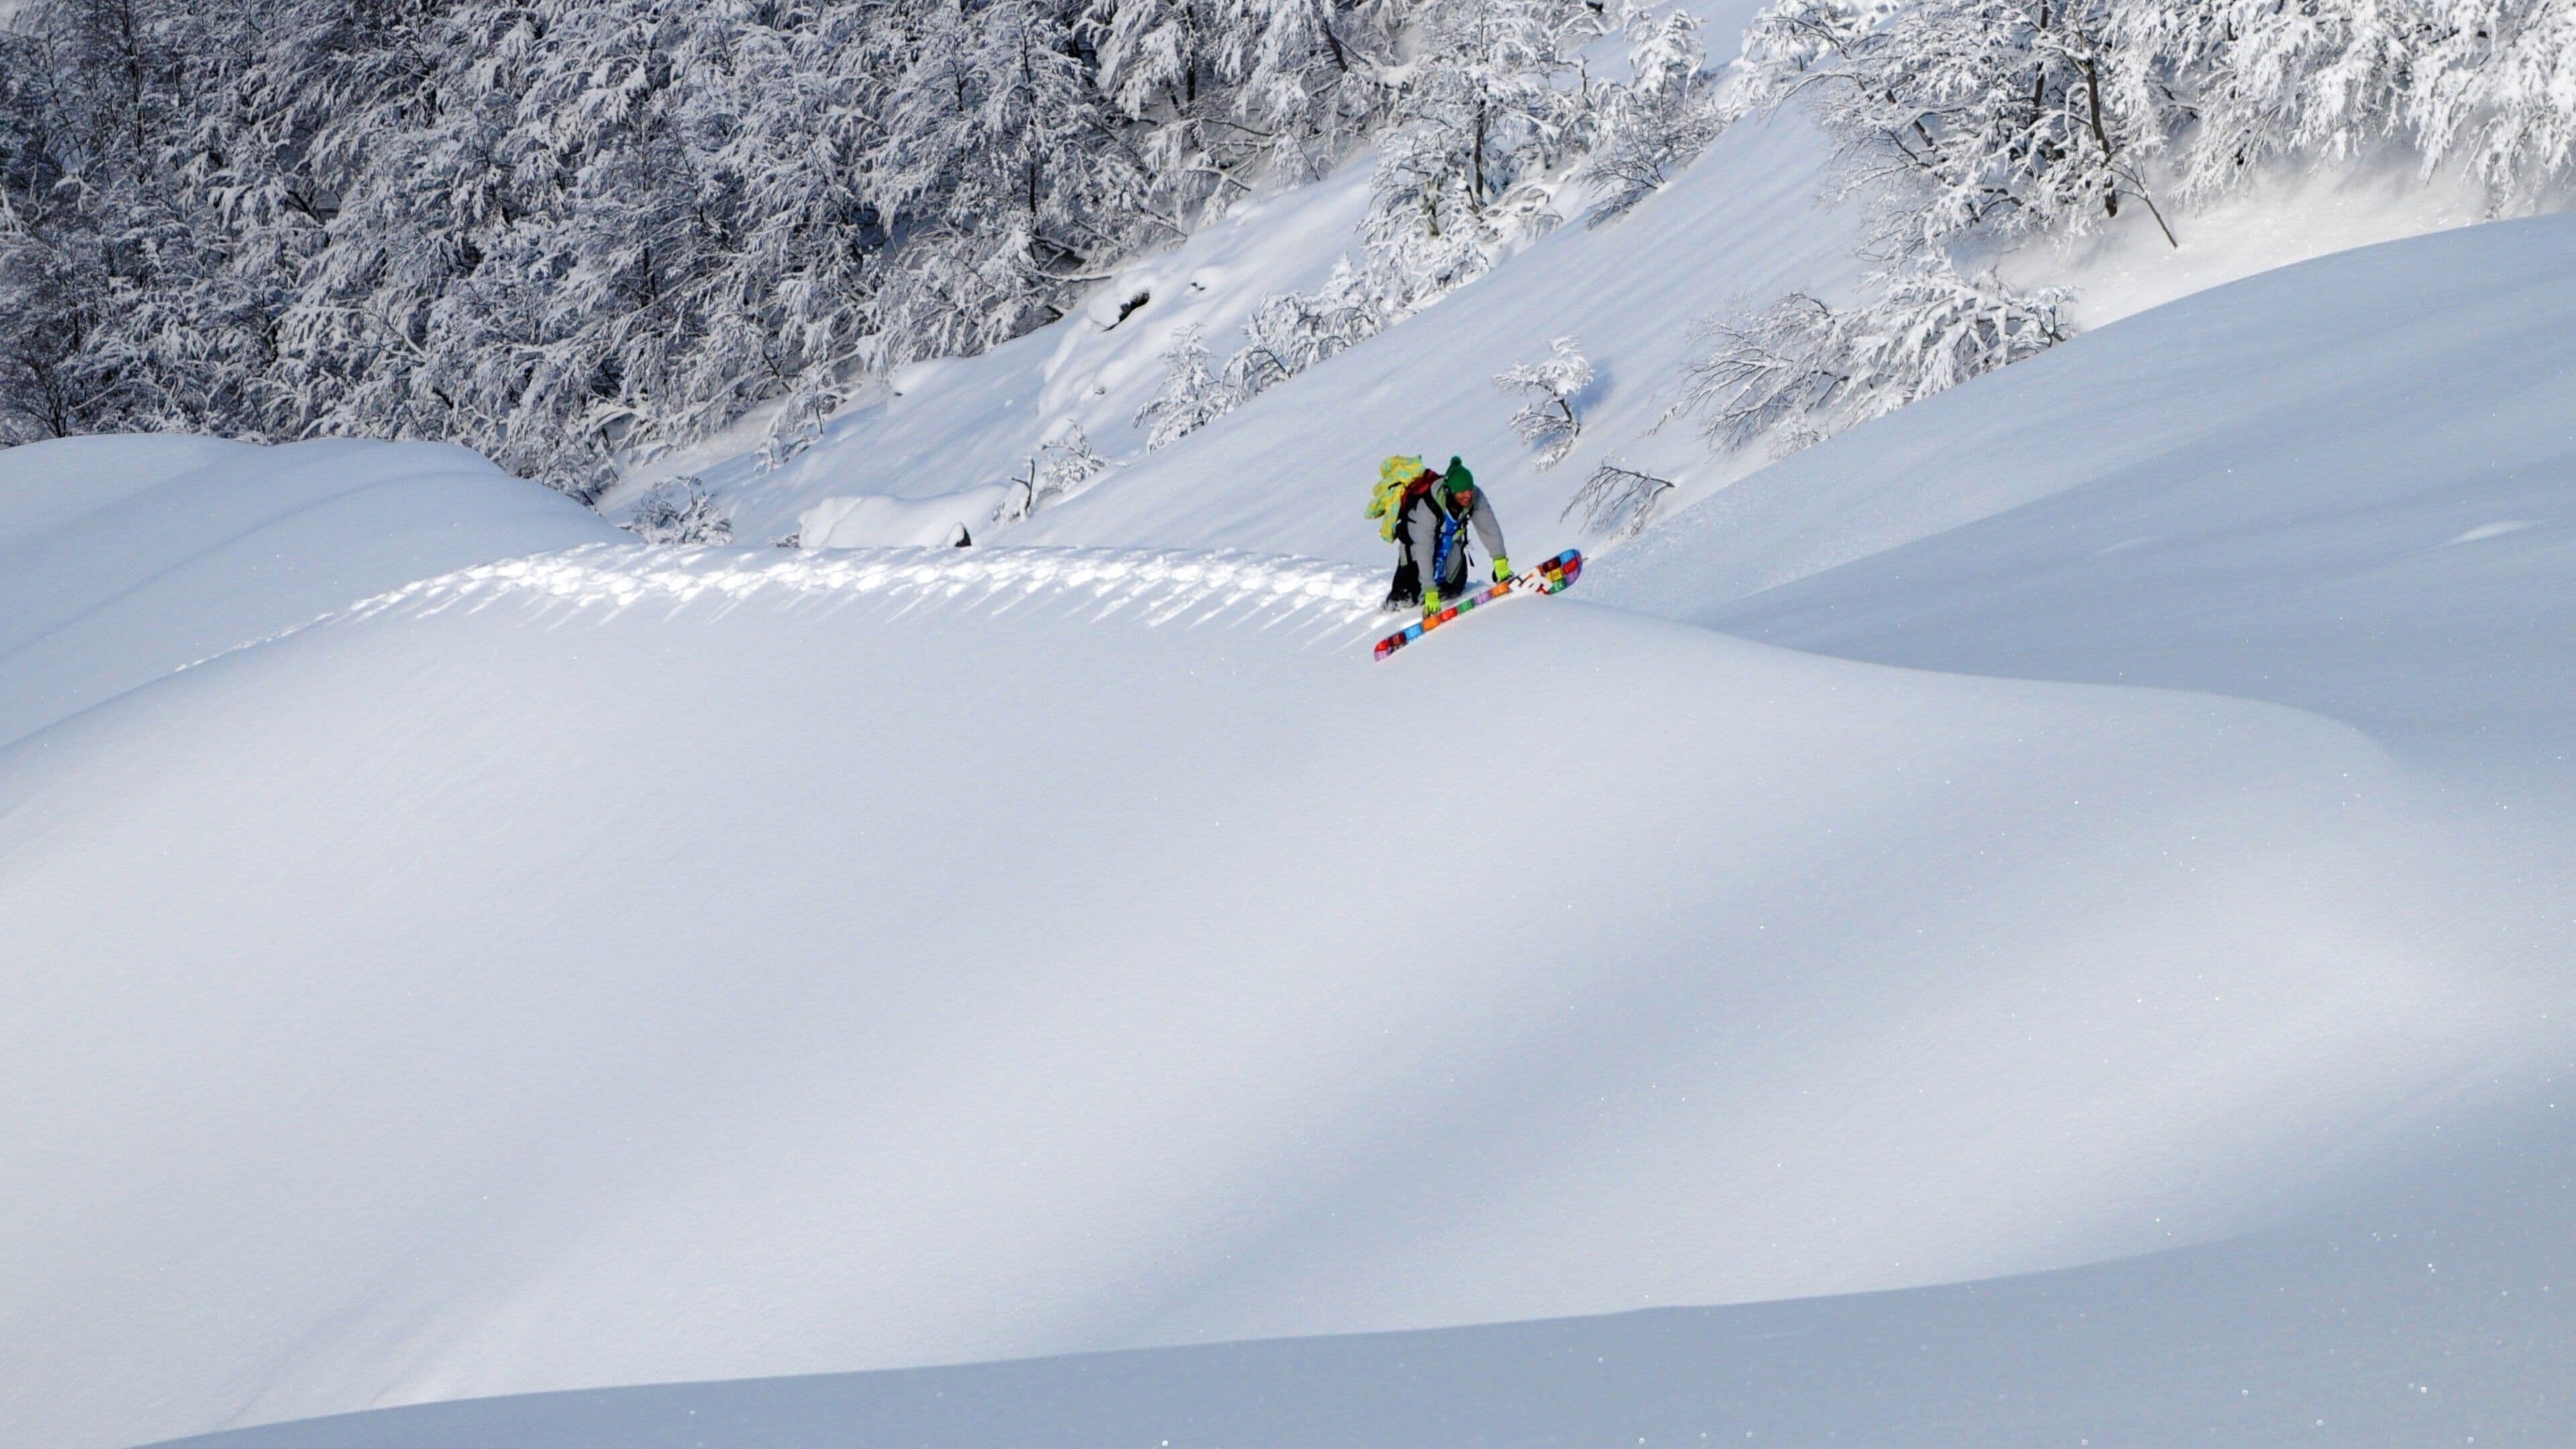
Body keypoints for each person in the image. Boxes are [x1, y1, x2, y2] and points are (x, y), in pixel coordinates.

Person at [1397, 455, 1508, 615]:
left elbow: (1489, 528)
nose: (1468, 495)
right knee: (1407, 598)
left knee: (1454, 589)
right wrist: (1429, 589)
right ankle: (1395, 617)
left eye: (1469, 489)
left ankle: (1438, 595)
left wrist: (1500, 561)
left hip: (1449, 547)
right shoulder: (1427, 507)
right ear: (1450, 491)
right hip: (1417, 553)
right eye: (1462, 492)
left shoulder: (1475, 496)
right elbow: (1423, 549)